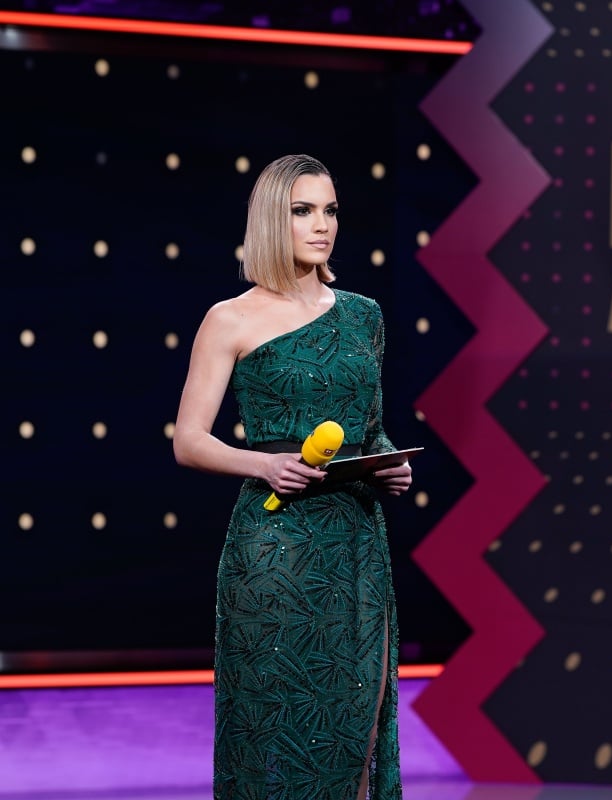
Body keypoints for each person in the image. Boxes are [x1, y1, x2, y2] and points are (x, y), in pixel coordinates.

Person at [173, 154, 411, 799]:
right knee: (274, 734)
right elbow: (189, 440)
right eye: (302, 211)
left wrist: (388, 461)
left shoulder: (364, 315)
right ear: (270, 221)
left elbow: (369, 425)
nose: (321, 224)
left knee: (354, 729)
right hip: (274, 552)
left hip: (355, 544)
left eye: (330, 210)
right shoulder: (231, 318)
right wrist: (264, 464)